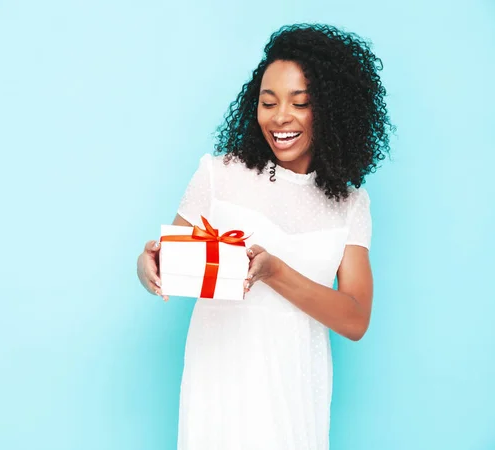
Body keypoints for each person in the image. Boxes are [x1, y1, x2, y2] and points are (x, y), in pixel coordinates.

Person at [136, 23, 394, 450]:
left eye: (301, 103)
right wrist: (147, 267)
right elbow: (168, 263)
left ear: (331, 109)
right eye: (268, 102)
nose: (280, 118)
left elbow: (354, 319)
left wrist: (274, 271)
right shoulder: (219, 176)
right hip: (217, 381)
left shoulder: (350, 203)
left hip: (294, 392)